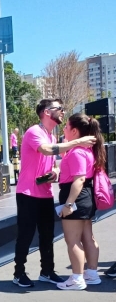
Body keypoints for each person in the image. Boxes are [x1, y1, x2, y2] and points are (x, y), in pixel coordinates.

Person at [12, 99, 96, 288]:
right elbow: (47, 150)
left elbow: (54, 161)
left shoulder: (51, 135)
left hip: (45, 193)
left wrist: (55, 172)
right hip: (27, 193)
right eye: (59, 109)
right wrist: (77, 141)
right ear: (47, 112)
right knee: (25, 234)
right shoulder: (35, 131)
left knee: (47, 235)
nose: (63, 112)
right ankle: (19, 273)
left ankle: (47, 271)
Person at [56, 114, 106, 290]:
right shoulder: (85, 150)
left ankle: (77, 278)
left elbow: (79, 180)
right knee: (87, 237)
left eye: (67, 127)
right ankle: (91, 274)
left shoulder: (77, 152)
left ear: (75, 131)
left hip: (76, 196)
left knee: (73, 240)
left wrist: (69, 204)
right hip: (86, 197)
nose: (64, 129)